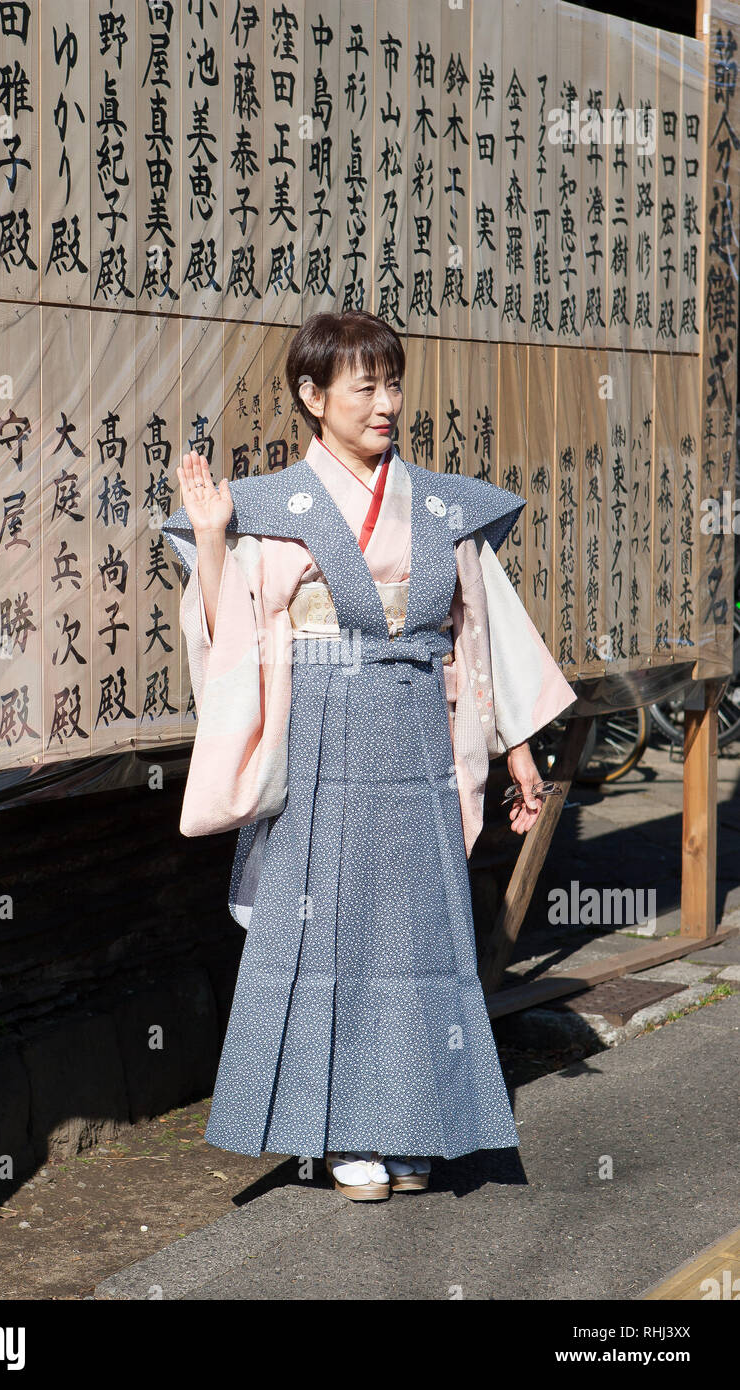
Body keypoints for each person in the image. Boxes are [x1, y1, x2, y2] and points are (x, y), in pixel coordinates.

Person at [160, 310, 577, 1200]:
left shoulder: (438, 504)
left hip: (420, 738)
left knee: (421, 935)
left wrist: (519, 751)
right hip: (323, 737)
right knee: (330, 931)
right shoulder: (274, 508)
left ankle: (415, 1120)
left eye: (394, 383)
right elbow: (231, 634)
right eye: (366, 387)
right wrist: (208, 538)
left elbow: (484, 629)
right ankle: (344, 1130)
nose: (387, 403)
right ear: (313, 398)